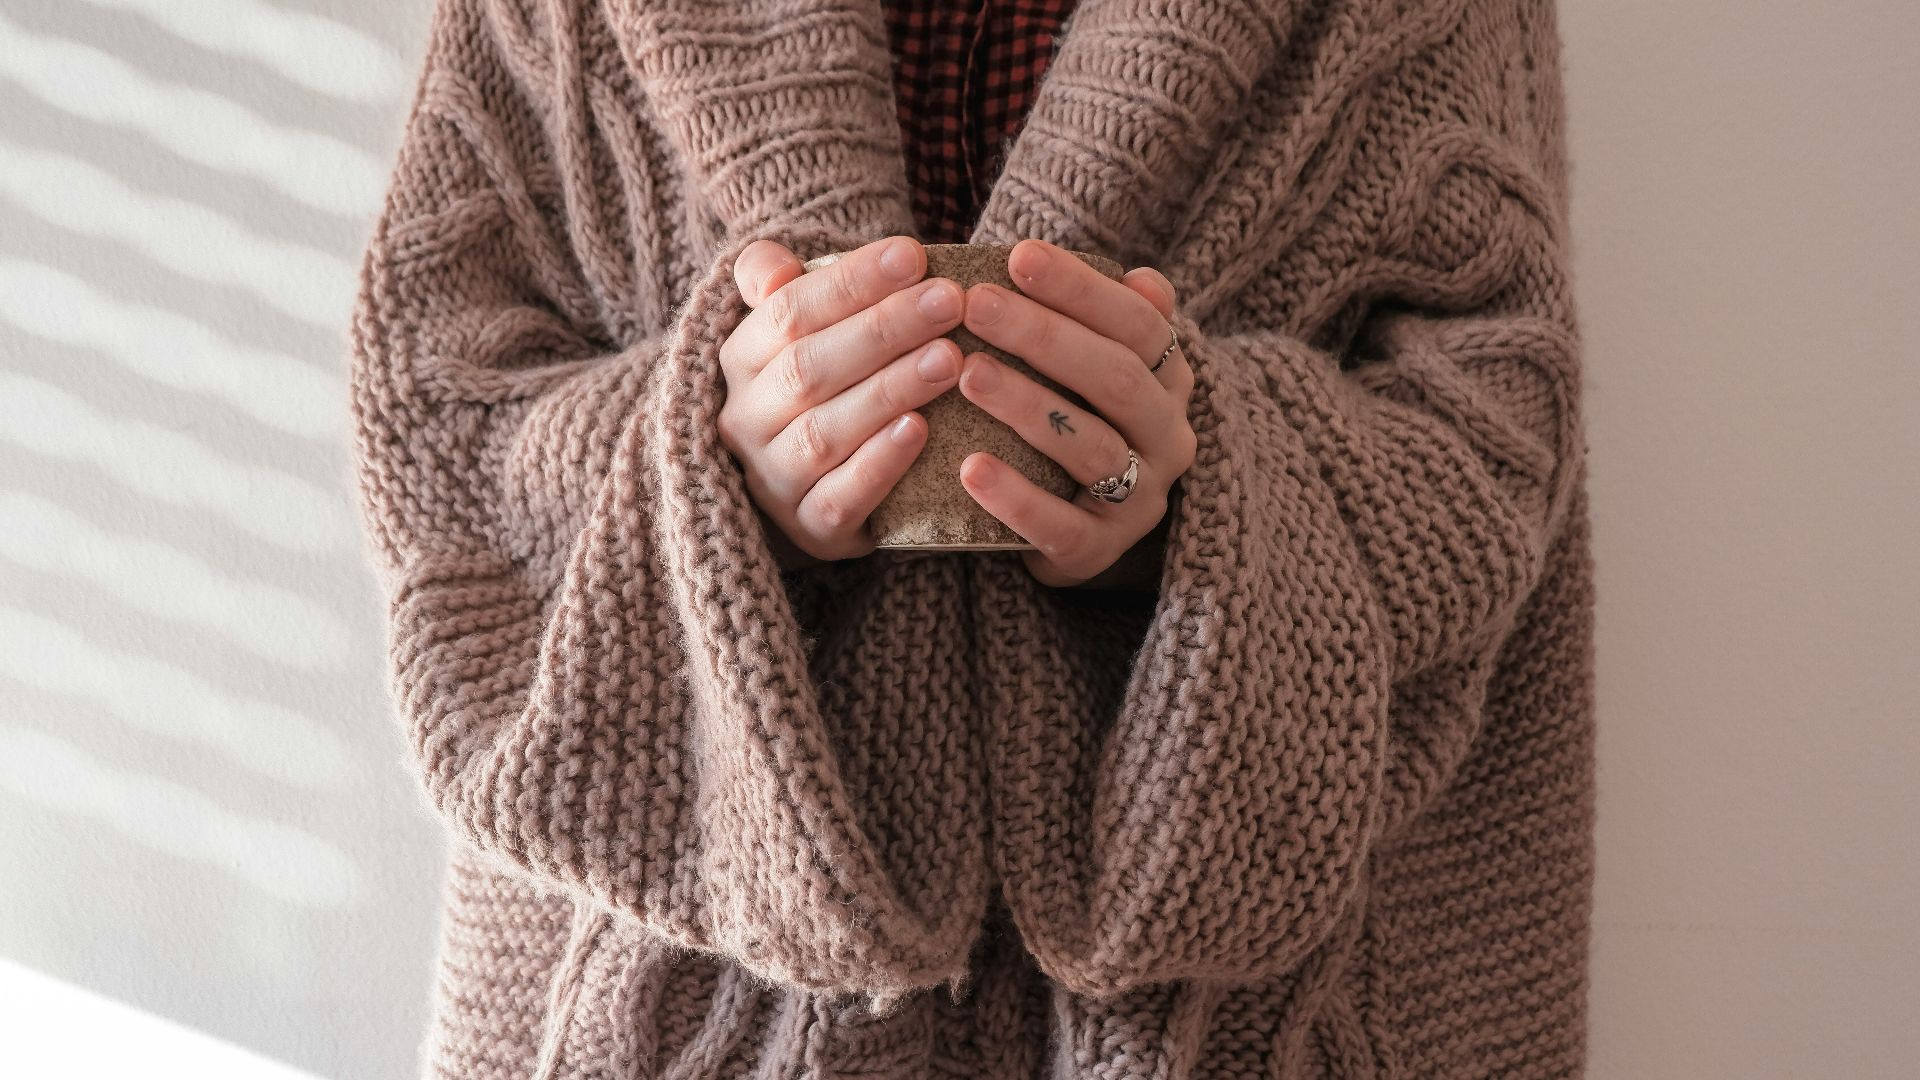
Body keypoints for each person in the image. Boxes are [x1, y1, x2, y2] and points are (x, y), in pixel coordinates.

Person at [348, 0, 1597, 1076]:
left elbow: (1499, 407)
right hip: (675, 1014)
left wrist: (1198, 505)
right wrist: (722, 467)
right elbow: (440, 408)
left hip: (1256, 1021)